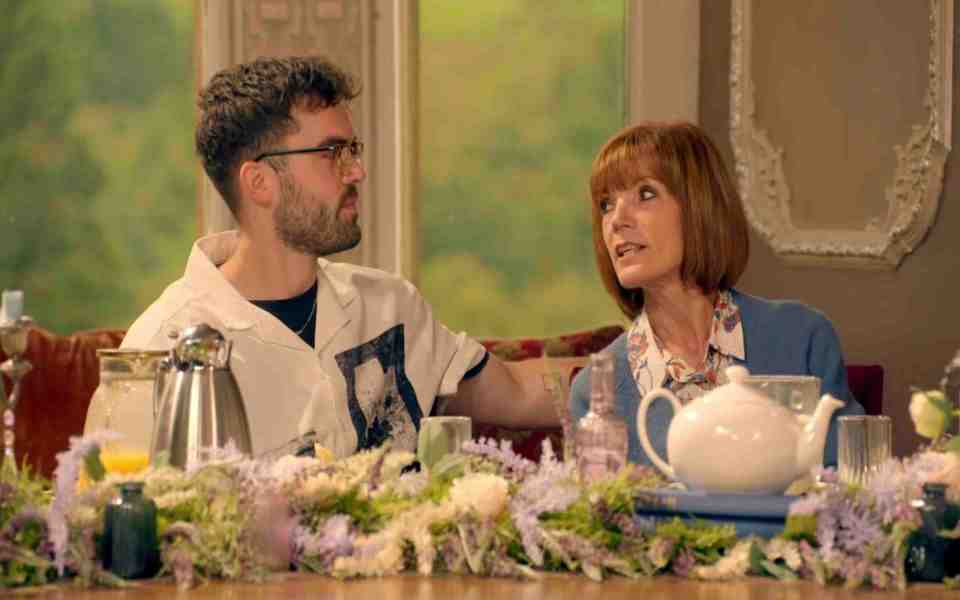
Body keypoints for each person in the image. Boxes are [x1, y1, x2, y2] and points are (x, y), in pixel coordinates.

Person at [119, 55, 567, 459]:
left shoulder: (389, 307)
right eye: (332, 153)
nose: (357, 170)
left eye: (352, 151)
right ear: (259, 183)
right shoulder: (161, 349)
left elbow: (517, 391)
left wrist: (635, 370)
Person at [569, 122, 863, 468]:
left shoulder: (803, 340)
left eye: (645, 194)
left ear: (699, 206)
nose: (616, 220)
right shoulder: (594, 393)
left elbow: (848, 497)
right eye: (606, 204)